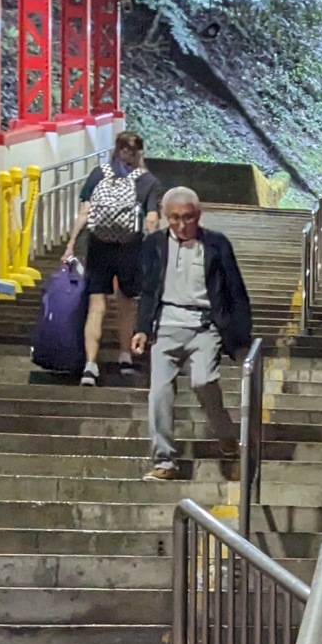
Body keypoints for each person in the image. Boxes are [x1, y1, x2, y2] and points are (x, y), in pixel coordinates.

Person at [131, 187, 250, 482]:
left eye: (188, 218)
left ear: (198, 215)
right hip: (167, 324)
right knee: (159, 391)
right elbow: (148, 289)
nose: (182, 225)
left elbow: (236, 292)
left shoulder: (216, 244)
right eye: (174, 218)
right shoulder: (155, 244)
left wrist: (240, 340)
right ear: (165, 217)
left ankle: (226, 437)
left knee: (204, 381)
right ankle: (164, 460)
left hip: (205, 325)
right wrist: (142, 329)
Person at [68, 130, 161, 386]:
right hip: (131, 248)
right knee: (127, 304)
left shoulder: (99, 174)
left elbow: (84, 212)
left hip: (99, 246)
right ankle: (125, 356)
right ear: (140, 152)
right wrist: (157, 251)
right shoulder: (148, 181)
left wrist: (71, 243)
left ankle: (90, 365)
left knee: (97, 305)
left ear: (117, 150)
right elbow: (152, 219)